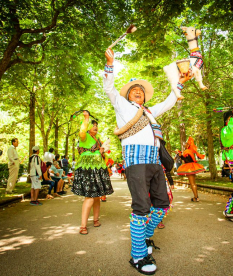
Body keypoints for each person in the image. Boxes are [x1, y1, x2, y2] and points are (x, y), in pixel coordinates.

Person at [104, 48, 193, 274]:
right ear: (128, 95)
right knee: (141, 208)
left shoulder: (149, 112)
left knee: (162, 206)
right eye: (134, 90)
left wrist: (181, 82)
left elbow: (169, 102)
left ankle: (143, 238)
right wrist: (110, 64)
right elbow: (109, 89)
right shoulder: (122, 106)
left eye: (141, 91)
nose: (138, 92)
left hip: (155, 163)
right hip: (135, 163)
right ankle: (138, 256)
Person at [72, 112, 114, 235]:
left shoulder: (97, 139)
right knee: (90, 197)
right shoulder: (84, 136)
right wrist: (86, 118)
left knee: (97, 196)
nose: (95, 127)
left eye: (96, 125)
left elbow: (99, 153)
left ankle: (96, 220)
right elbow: (81, 132)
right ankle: (83, 226)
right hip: (88, 169)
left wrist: (102, 150)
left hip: (99, 168)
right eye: (93, 125)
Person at [176, 137, 206, 202]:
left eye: (186, 144)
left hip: (189, 167)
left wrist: (181, 156)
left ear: (189, 145)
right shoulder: (192, 151)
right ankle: (196, 196)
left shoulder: (187, 151)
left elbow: (187, 161)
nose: (185, 145)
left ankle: (196, 197)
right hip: (192, 167)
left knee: (192, 183)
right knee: (193, 183)